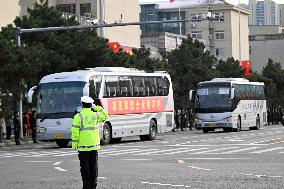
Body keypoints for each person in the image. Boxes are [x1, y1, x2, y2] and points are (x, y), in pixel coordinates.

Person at [72, 96, 109, 189]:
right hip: (94, 146)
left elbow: (75, 131)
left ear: (82, 105)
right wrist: (97, 107)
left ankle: (86, 186)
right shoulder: (96, 115)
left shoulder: (78, 116)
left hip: (83, 146)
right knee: (93, 167)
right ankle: (93, 185)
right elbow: (106, 115)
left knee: (84, 167)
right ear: (91, 105)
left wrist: (75, 144)